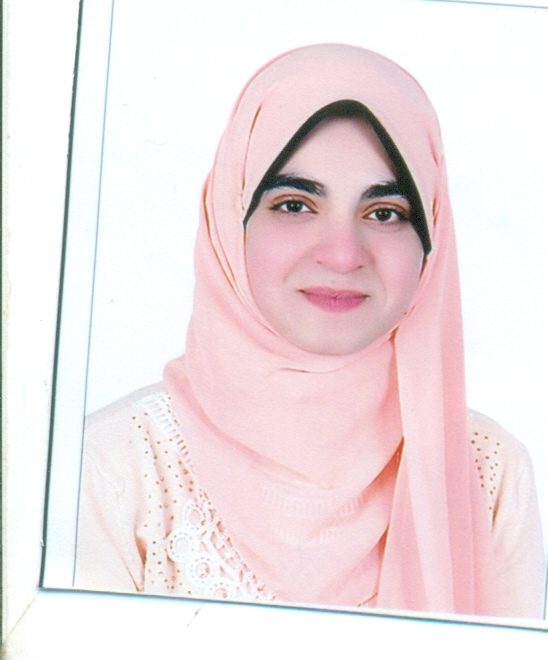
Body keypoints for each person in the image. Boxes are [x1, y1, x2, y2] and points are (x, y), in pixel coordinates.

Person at [74, 44, 545, 618]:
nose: (343, 254)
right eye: (295, 205)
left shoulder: (487, 470)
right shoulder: (112, 467)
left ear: (430, 240)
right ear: (230, 223)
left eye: (385, 213)